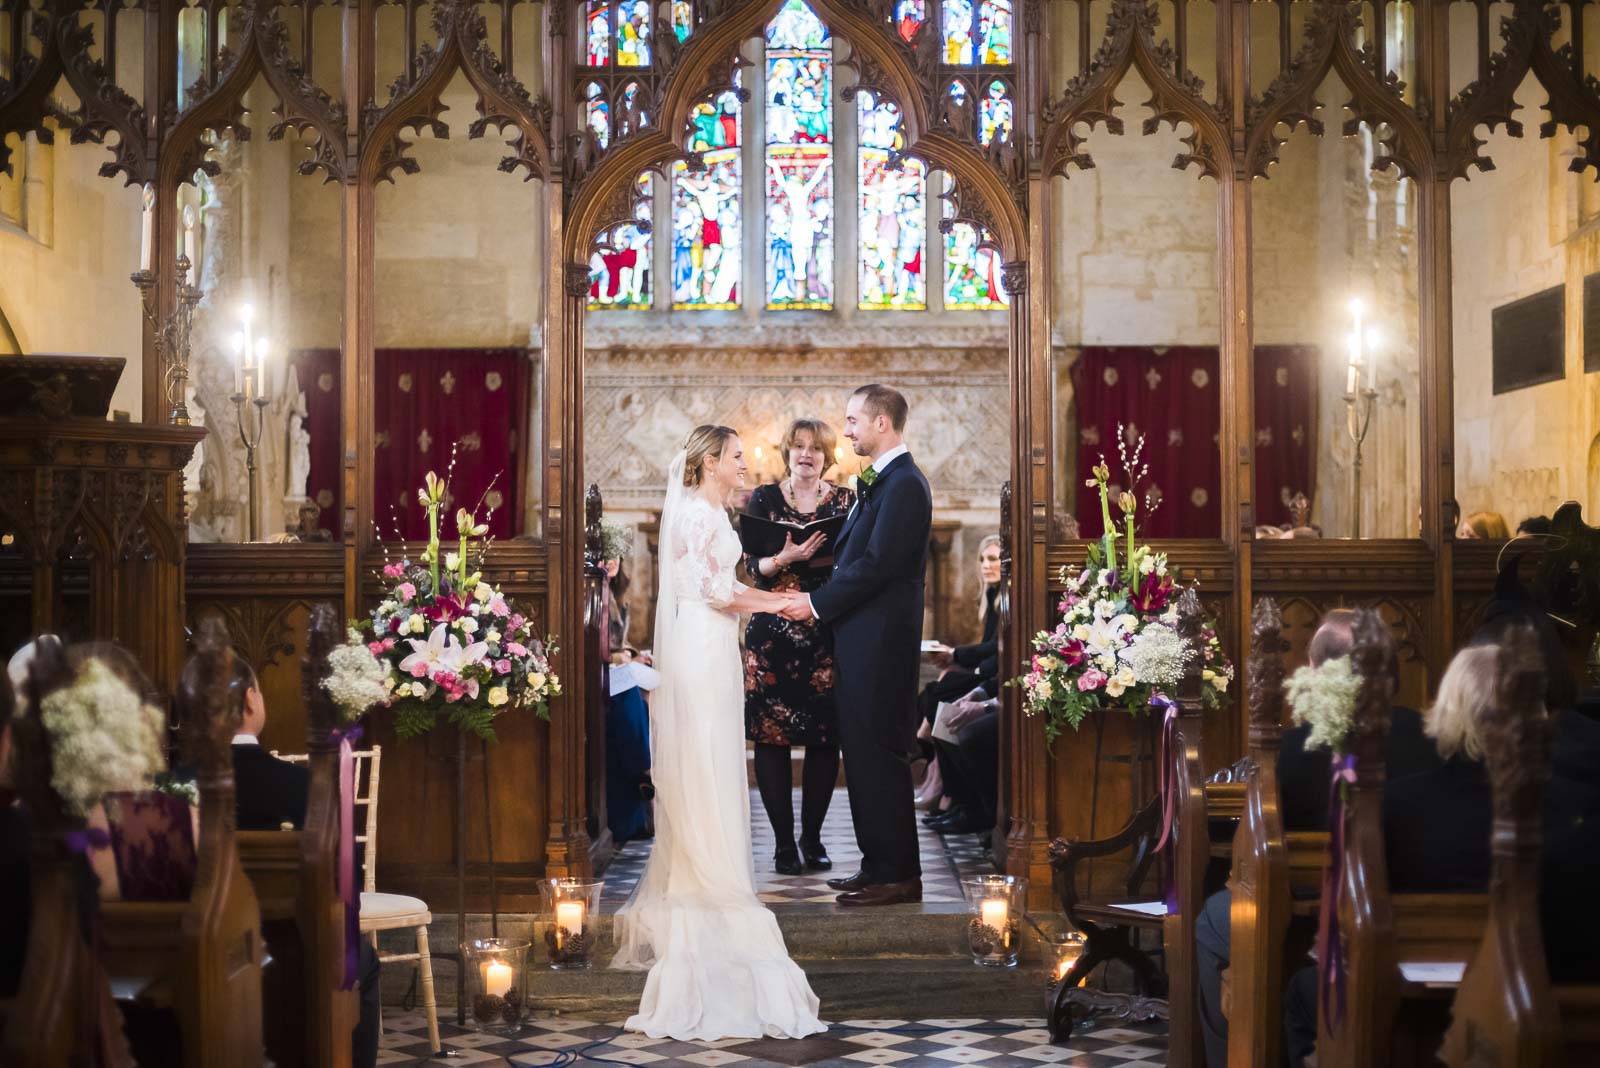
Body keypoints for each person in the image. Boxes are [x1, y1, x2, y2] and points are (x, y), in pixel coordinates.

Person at [612, 425, 825, 1041]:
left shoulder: (705, 512)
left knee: (714, 756)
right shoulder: (702, 518)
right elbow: (714, 591)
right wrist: (779, 602)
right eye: (736, 457)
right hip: (706, 647)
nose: (745, 464)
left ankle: (706, 866)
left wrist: (766, 590)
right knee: (708, 756)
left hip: (708, 646)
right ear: (709, 463)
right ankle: (712, 876)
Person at [1193, 608, 1443, 1068]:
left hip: (1307, 921)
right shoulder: (1436, 741)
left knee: (1212, 920)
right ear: (1391, 669)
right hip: (1426, 917)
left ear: (1318, 674)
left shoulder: (1291, 751)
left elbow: (1254, 846)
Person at [780, 384, 933, 907]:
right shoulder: (881, 483)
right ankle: (877, 864)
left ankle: (898, 874)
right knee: (863, 757)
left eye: (852, 421)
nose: (845, 431)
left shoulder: (905, 486)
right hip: (861, 639)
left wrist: (816, 603)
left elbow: (877, 566)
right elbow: (854, 558)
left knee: (881, 756)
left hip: (881, 643)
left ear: (881, 424)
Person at [189, 653, 381, 1068]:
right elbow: (345, 887)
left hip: (193, 953)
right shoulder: (304, 786)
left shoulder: (174, 788)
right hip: (296, 955)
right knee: (362, 961)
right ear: (252, 701)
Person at [742, 418, 854, 876]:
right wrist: (784, 559)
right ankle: (784, 844)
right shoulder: (765, 499)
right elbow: (753, 567)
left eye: (815, 449)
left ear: (828, 457)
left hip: (825, 630)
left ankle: (813, 838)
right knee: (771, 738)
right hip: (772, 630)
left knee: (825, 738)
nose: (806, 455)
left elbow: (856, 562)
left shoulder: (847, 500)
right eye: (798, 447)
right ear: (786, 452)